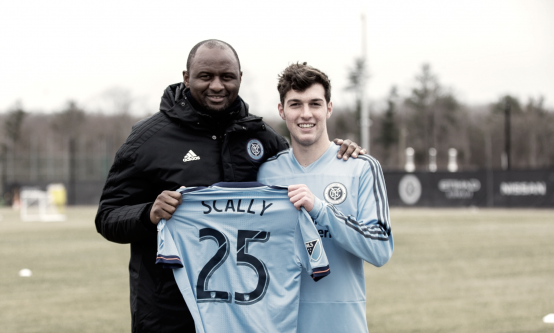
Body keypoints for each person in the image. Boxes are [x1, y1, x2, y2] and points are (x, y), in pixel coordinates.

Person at [94, 40, 365, 332]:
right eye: (205, 76)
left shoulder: (261, 137)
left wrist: (337, 151)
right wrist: (149, 213)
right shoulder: (147, 139)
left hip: (245, 316)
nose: (217, 86)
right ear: (186, 78)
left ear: (240, 78)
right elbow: (107, 216)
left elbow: (300, 164)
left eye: (227, 77)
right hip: (170, 316)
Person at [257, 62, 393, 333]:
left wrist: (321, 209)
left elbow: (380, 250)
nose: (306, 114)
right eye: (295, 104)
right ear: (282, 111)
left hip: (342, 325)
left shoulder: (361, 167)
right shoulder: (265, 173)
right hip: (280, 325)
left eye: (315, 104)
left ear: (329, 108)